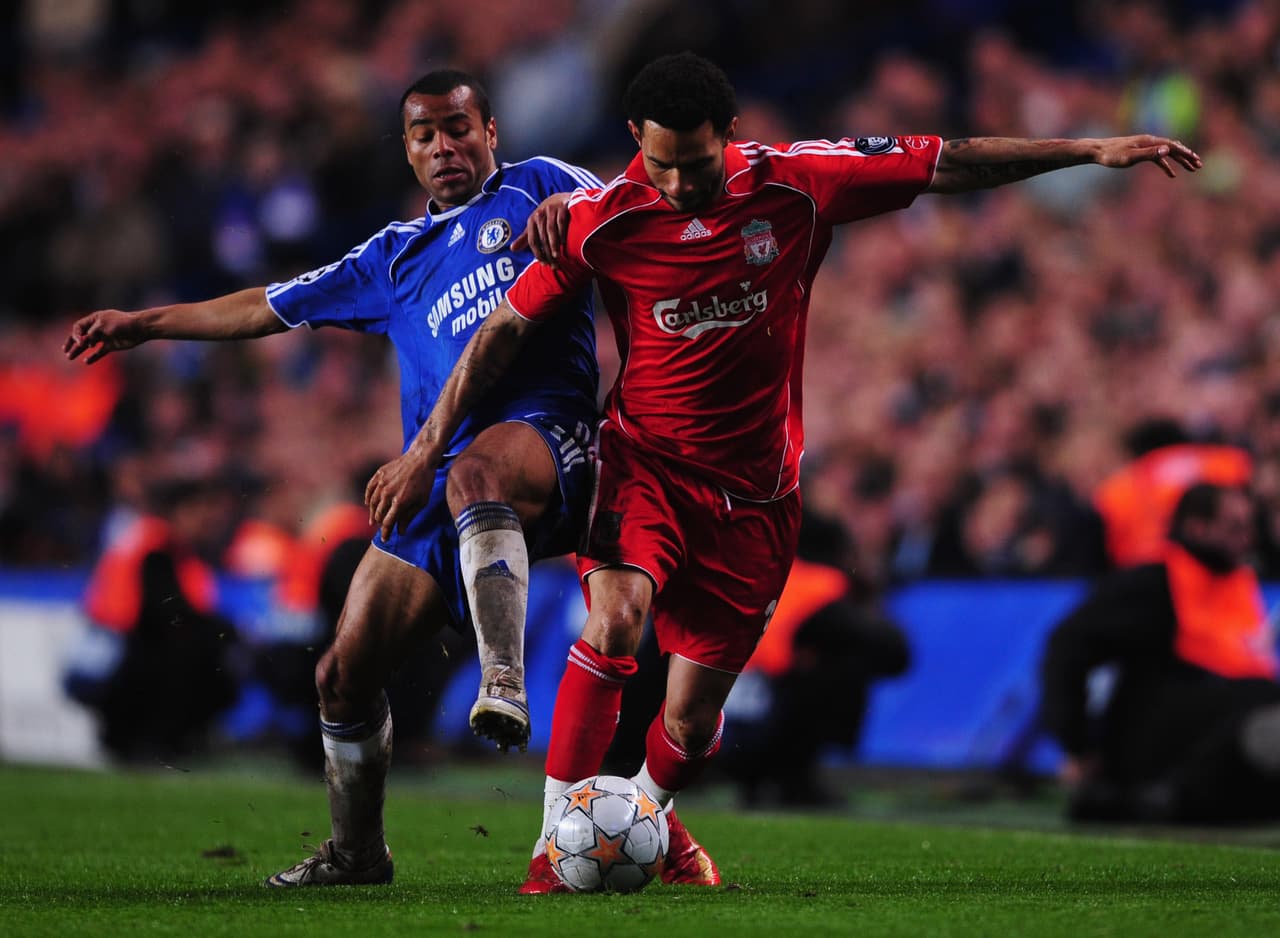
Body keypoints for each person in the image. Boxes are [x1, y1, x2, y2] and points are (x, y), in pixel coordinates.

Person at [389, 51, 1202, 891]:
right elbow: (502, 332)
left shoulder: (798, 185)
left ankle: (648, 820)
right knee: (616, 620)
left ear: (730, 136)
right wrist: (425, 450)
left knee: (693, 720)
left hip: (758, 499)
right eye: (659, 162)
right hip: (646, 469)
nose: (676, 184)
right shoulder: (602, 218)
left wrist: (1087, 150)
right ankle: (554, 848)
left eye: (695, 164)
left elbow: (948, 160)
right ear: (635, 139)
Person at [63, 68, 602, 887]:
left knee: (478, 472)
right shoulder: (394, 256)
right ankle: (357, 854)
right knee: (341, 677)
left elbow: (640, 206)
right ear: (409, 152)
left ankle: (503, 678)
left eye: (458, 128)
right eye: (425, 135)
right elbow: (267, 305)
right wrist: (147, 324)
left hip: (547, 439)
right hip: (442, 480)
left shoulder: (544, 186)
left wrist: (582, 211)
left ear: (492, 130)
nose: (444, 147)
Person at [1040, 483, 1280, 824]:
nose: (1248, 539)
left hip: (1231, 742)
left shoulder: (1237, 583)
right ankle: (1152, 798)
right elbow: (1068, 646)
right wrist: (1078, 741)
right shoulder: (1153, 583)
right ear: (1198, 527)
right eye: (1235, 527)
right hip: (1166, 747)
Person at [62, 468, 240, 763]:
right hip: (120, 655)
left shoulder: (148, 540)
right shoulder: (157, 549)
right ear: (179, 511)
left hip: (110, 648)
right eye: (200, 511)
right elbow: (167, 614)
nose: (208, 521)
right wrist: (226, 630)